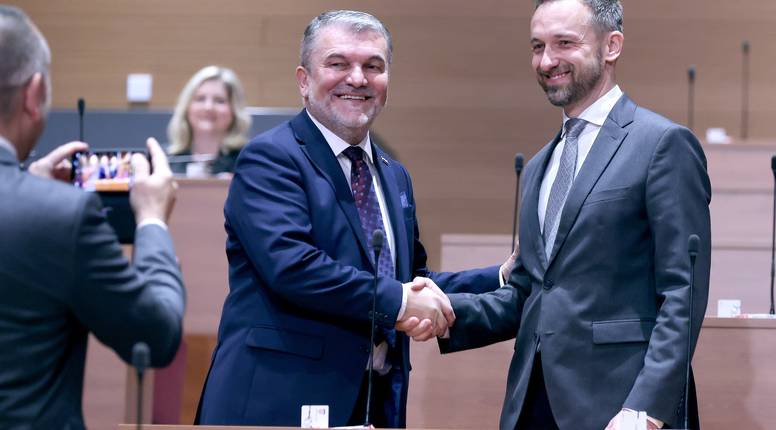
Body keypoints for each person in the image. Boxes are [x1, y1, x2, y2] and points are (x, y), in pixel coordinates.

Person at [196, 10, 514, 428]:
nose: (358, 79)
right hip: (279, 404)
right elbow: (293, 268)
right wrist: (401, 302)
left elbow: (409, 280)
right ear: (304, 80)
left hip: (372, 404)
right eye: (338, 64)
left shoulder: (394, 175)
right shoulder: (271, 158)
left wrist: (500, 278)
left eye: (373, 66)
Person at [431, 1, 711, 429]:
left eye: (564, 43)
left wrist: (646, 410)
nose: (547, 61)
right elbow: (530, 292)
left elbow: (683, 293)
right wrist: (443, 311)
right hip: (532, 403)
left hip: (622, 406)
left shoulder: (663, 144)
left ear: (611, 45)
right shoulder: (540, 165)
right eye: (537, 46)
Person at [0, 6, 185, 428]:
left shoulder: (45, 209)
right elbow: (155, 337)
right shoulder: (60, 216)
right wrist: (152, 220)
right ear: (33, 94)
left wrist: (27, 186)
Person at [166, 65, 252, 177]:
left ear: (235, 110)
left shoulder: (248, 162)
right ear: (186, 107)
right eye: (200, 99)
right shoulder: (163, 162)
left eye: (219, 100)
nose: (208, 107)